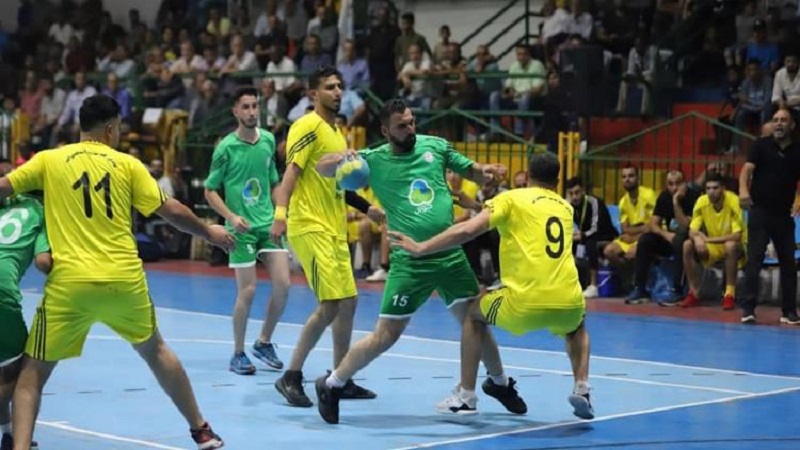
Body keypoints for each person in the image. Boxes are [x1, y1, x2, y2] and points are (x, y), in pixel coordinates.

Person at [0, 94, 235, 450]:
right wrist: (209, 233)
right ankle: (201, 430)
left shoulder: (49, 159)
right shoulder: (128, 165)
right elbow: (171, 210)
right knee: (156, 350)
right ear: (111, 128)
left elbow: (4, 187)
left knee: (31, 374)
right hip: (124, 281)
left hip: (71, 285)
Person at [312, 99, 526, 424]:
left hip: (449, 255)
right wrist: (342, 157)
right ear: (386, 131)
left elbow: (471, 170)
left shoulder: (435, 147)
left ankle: (499, 382)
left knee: (476, 321)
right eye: (402, 126)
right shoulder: (373, 160)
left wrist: (485, 172)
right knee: (386, 335)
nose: (410, 129)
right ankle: (332, 384)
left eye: (412, 122)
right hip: (410, 261)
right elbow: (321, 167)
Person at [388, 151, 594, 420]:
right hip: (568, 300)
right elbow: (523, 220)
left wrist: (421, 247)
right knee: (577, 328)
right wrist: (476, 205)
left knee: (473, 316)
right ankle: (582, 388)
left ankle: (466, 396)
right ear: (557, 181)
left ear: (527, 175)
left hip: (523, 302)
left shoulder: (511, 198)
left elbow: (467, 230)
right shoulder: (565, 208)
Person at [270, 66, 383, 407]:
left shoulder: (337, 133)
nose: (337, 92)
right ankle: (291, 376)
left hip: (334, 228)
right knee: (331, 304)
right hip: (310, 225)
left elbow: (337, 184)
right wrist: (280, 215)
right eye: (330, 87)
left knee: (348, 302)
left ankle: (340, 377)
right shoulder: (306, 126)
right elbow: (291, 172)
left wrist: (367, 208)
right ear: (313, 94)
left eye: (339, 86)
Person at [204, 86, 290, 375]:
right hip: (241, 229)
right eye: (246, 107)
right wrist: (230, 216)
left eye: (255, 106)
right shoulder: (226, 148)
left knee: (283, 285)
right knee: (249, 290)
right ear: (235, 111)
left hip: (268, 224)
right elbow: (209, 190)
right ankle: (238, 353)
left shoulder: (268, 140)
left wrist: (281, 215)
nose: (252, 112)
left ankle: (263, 342)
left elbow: (274, 182)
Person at [0, 163, 51, 450]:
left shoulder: (6, 203)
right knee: (24, 371)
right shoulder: (43, 212)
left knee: (4, 368)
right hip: (1, 291)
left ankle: (9, 436)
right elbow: (43, 262)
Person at [739, 108, 800, 325]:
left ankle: (789, 311)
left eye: (783, 120)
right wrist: (743, 190)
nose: (779, 123)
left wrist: (798, 200)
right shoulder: (760, 146)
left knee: (788, 264)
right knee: (754, 260)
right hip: (760, 212)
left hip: (783, 215)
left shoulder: (798, 150)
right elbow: (746, 170)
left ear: (792, 125)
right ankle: (748, 309)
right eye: (775, 120)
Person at [626, 170, 699, 305]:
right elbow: (653, 224)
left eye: (678, 183)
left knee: (681, 241)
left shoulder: (693, 197)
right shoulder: (664, 197)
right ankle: (640, 289)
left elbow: (685, 225)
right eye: (670, 184)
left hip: (690, 241)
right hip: (670, 238)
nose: (674, 188)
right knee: (645, 240)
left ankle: (676, 290)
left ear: (684, 183)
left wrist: (676, 202)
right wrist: (666, 234)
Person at [681, 172, 745, 309]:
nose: (711, 192)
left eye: (715, 188)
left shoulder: (733, 201)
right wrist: (697, 239)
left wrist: (708, 239)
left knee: (730, 246)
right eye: (708, 188)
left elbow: (737, 235)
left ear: (723, 188)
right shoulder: (701, 201)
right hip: (713, 247)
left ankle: (729, 294)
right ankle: (693, 293)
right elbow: (692, 230)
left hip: (737, 247)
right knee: (687, 245)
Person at [565, 177, 618, 298]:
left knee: (590, 243)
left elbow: (595, 228)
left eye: (577, 192)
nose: (574, 197)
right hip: (587, 235)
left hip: (605, 236)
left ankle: (593, 286)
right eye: (571, 193)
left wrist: (580, 236)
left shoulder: (594, 202)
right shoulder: (570, 205)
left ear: (583, 191)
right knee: (567, 243)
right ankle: (572, 283)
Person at [602, 166, 657, 275]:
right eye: (624, 177)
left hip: (650, 237)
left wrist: (633, 236)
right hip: (633, 237)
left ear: (638, 178)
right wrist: (641, 229)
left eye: (631, 176)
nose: (627, 179)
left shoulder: (648, 195)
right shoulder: (623, 202)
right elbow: (624, 229)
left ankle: (635, 278)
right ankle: (628, 273)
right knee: (608, 251)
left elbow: (652, 226)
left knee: (631, 253)